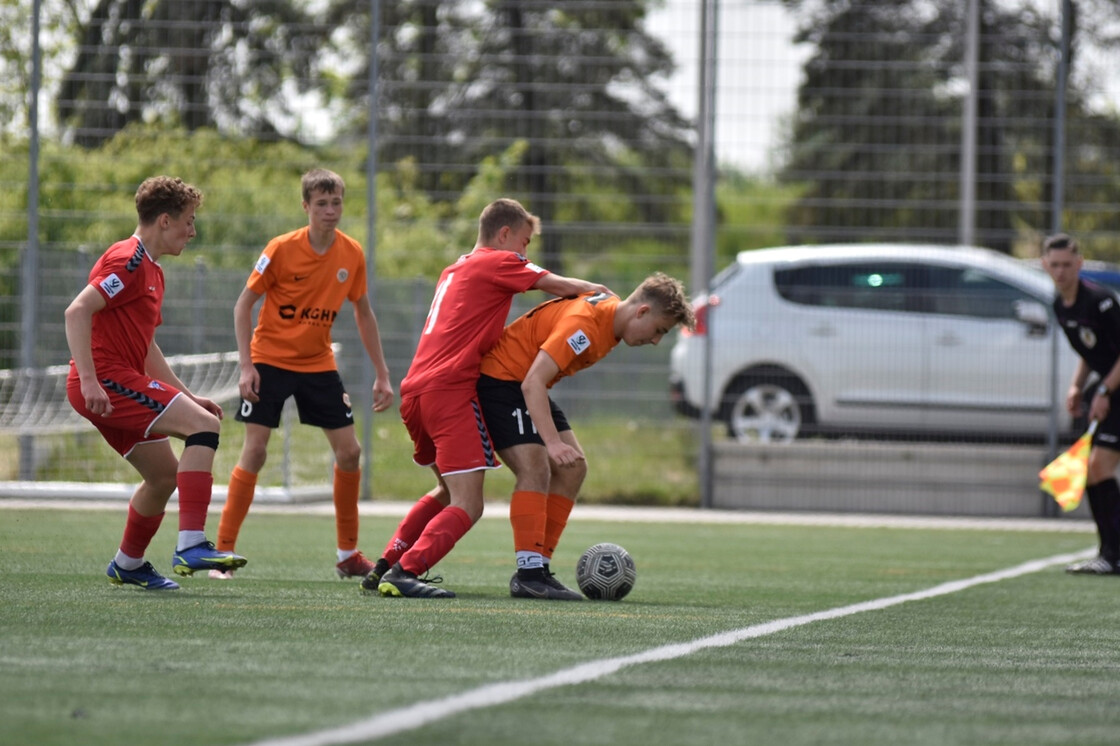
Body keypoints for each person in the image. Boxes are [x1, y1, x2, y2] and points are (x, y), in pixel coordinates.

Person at [364, 198, 613, 598]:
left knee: (445, 492)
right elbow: (558, 285)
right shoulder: (498, 261)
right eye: (525, 242)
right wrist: (601, 294)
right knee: (469, 503)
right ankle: (405, 573)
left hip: (417, 392)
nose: (525, 253)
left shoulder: (455, 268)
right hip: (449, 390)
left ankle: (385, 565)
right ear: (504, 234)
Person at [65, 175, 247, 591]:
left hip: (113, 380)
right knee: (206, 427)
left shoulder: (152, 270)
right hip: (106, 380)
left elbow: (146, 349)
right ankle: (191, 544)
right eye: (189, 220)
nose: (193, 230)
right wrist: (92, 381)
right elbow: (76, 311)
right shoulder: (128, 259)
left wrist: (187, 396)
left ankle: (127, 563)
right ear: (164, 221)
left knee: (165, 476)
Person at [212, 168, 394, 580]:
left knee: (350, 452)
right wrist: (246, 366)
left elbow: (363, 313)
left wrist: (382, 373)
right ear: (306, 207)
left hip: (318, 363)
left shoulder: (351, 254)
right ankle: (223, 552)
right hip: (270, 361)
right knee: (255, 452)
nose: (331, 211)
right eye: (322, 204)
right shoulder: (280, 249)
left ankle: (348, 555)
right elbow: (244, 306)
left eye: (337, 203)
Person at [477, 273, 695, 599]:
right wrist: (551, 442)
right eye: (659, 330)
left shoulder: (609, 315)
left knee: (572, 468)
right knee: (536, 468)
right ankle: (528, 574)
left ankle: (539, 568)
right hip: (502, 380)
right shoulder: (585, 326)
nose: (655, 341)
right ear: (642, 312)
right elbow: (532, 382)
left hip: (520, 381)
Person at [1042, 233, 1120, 575]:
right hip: (1109, 388)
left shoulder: (1101, 301)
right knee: (1093, 470)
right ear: (1045, 265)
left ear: (1080, 264)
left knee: (1098, 468)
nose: (1061, 272)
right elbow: (1091, 352)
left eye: (1067, 264)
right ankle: (1110, 553)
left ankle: (1113, 554)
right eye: (1054, 265)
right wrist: (1077, 386)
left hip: (1114, 389)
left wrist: (1102, 392)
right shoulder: (1060, 305)